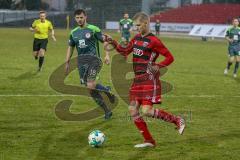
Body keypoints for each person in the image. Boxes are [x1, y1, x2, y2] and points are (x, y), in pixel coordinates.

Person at [107, 12, 185, 148]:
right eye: (135, 25)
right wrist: (112, 41)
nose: (136, 28)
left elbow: (170, 57)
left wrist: (158, 66)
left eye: (138, 25)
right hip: (137, 79)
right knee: (132, 109)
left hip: (149, 79)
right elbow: (125, 51)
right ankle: (149, 140)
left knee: (147, 111)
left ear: (146, 23)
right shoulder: (136, 38)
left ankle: (177, 120)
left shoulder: (154, 41)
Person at [65, 9, 114, 120]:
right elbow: (70, 47)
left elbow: (105, 41)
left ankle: (107, 91)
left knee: (91, 85)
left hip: (94, 61)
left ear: (85, 17)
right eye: (77, 18)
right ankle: (107, 110)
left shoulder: (93, 29)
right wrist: (67, 62)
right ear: (75, 18)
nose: (79, 20)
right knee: (90, 90)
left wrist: (107, 55)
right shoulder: (73, 32)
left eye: (81, 17)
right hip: (81, 64)